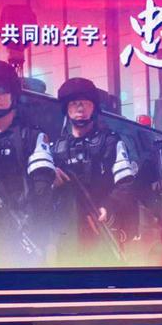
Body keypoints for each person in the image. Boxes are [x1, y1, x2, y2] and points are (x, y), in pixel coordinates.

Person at [0, 60, 56, 267]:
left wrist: (40, 235)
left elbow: (42, 193)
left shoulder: (32, 138)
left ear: (13, 95)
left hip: (23, 235)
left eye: (3, 90)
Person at [51, 77, 138, 265]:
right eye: (74, 103)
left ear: (94, 108)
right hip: (69, 236)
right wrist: (52, 179)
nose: (80, 108)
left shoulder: (111, 142)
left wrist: (108, 206)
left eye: (85, 103)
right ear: (66, 109)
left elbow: (126, 183)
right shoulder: (57, 148)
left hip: (102, 229)